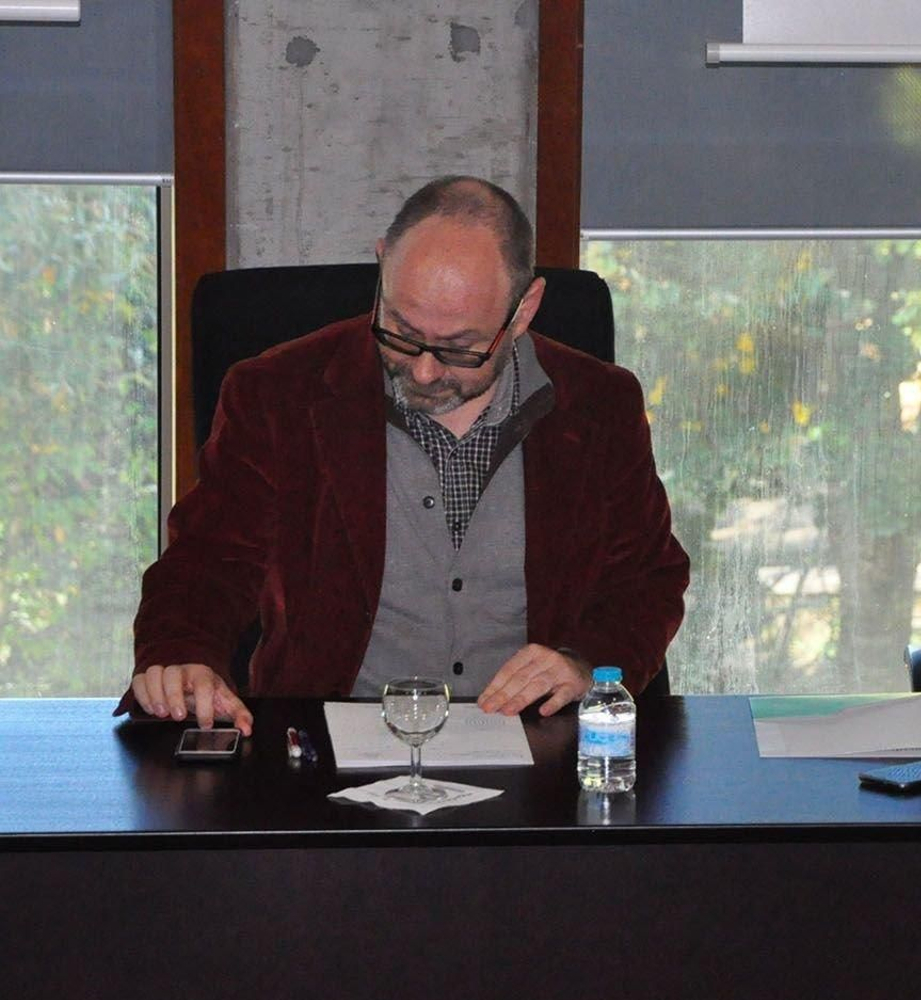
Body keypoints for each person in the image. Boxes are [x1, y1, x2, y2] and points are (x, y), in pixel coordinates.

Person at [120, 176, 689, 734]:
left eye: (460, 348)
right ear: (382, 264)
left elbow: (647, 577)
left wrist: (584, 663)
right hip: (324, 747)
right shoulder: (279, 392)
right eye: (399, 329)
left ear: (523, 310)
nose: (422, 370)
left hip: (537, 746)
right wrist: (181, 654)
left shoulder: (600, 405)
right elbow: (209, 559)